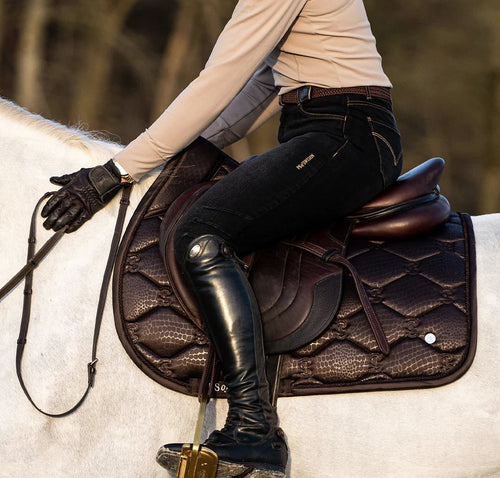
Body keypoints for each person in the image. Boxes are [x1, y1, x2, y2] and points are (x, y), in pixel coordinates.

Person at [41, 0, 403, 476]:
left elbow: (220, 78)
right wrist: (160, 161)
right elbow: (264, 86)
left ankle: (254, 430)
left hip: (343, 133)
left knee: (202, 234)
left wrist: (120, 170)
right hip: (325, 127)